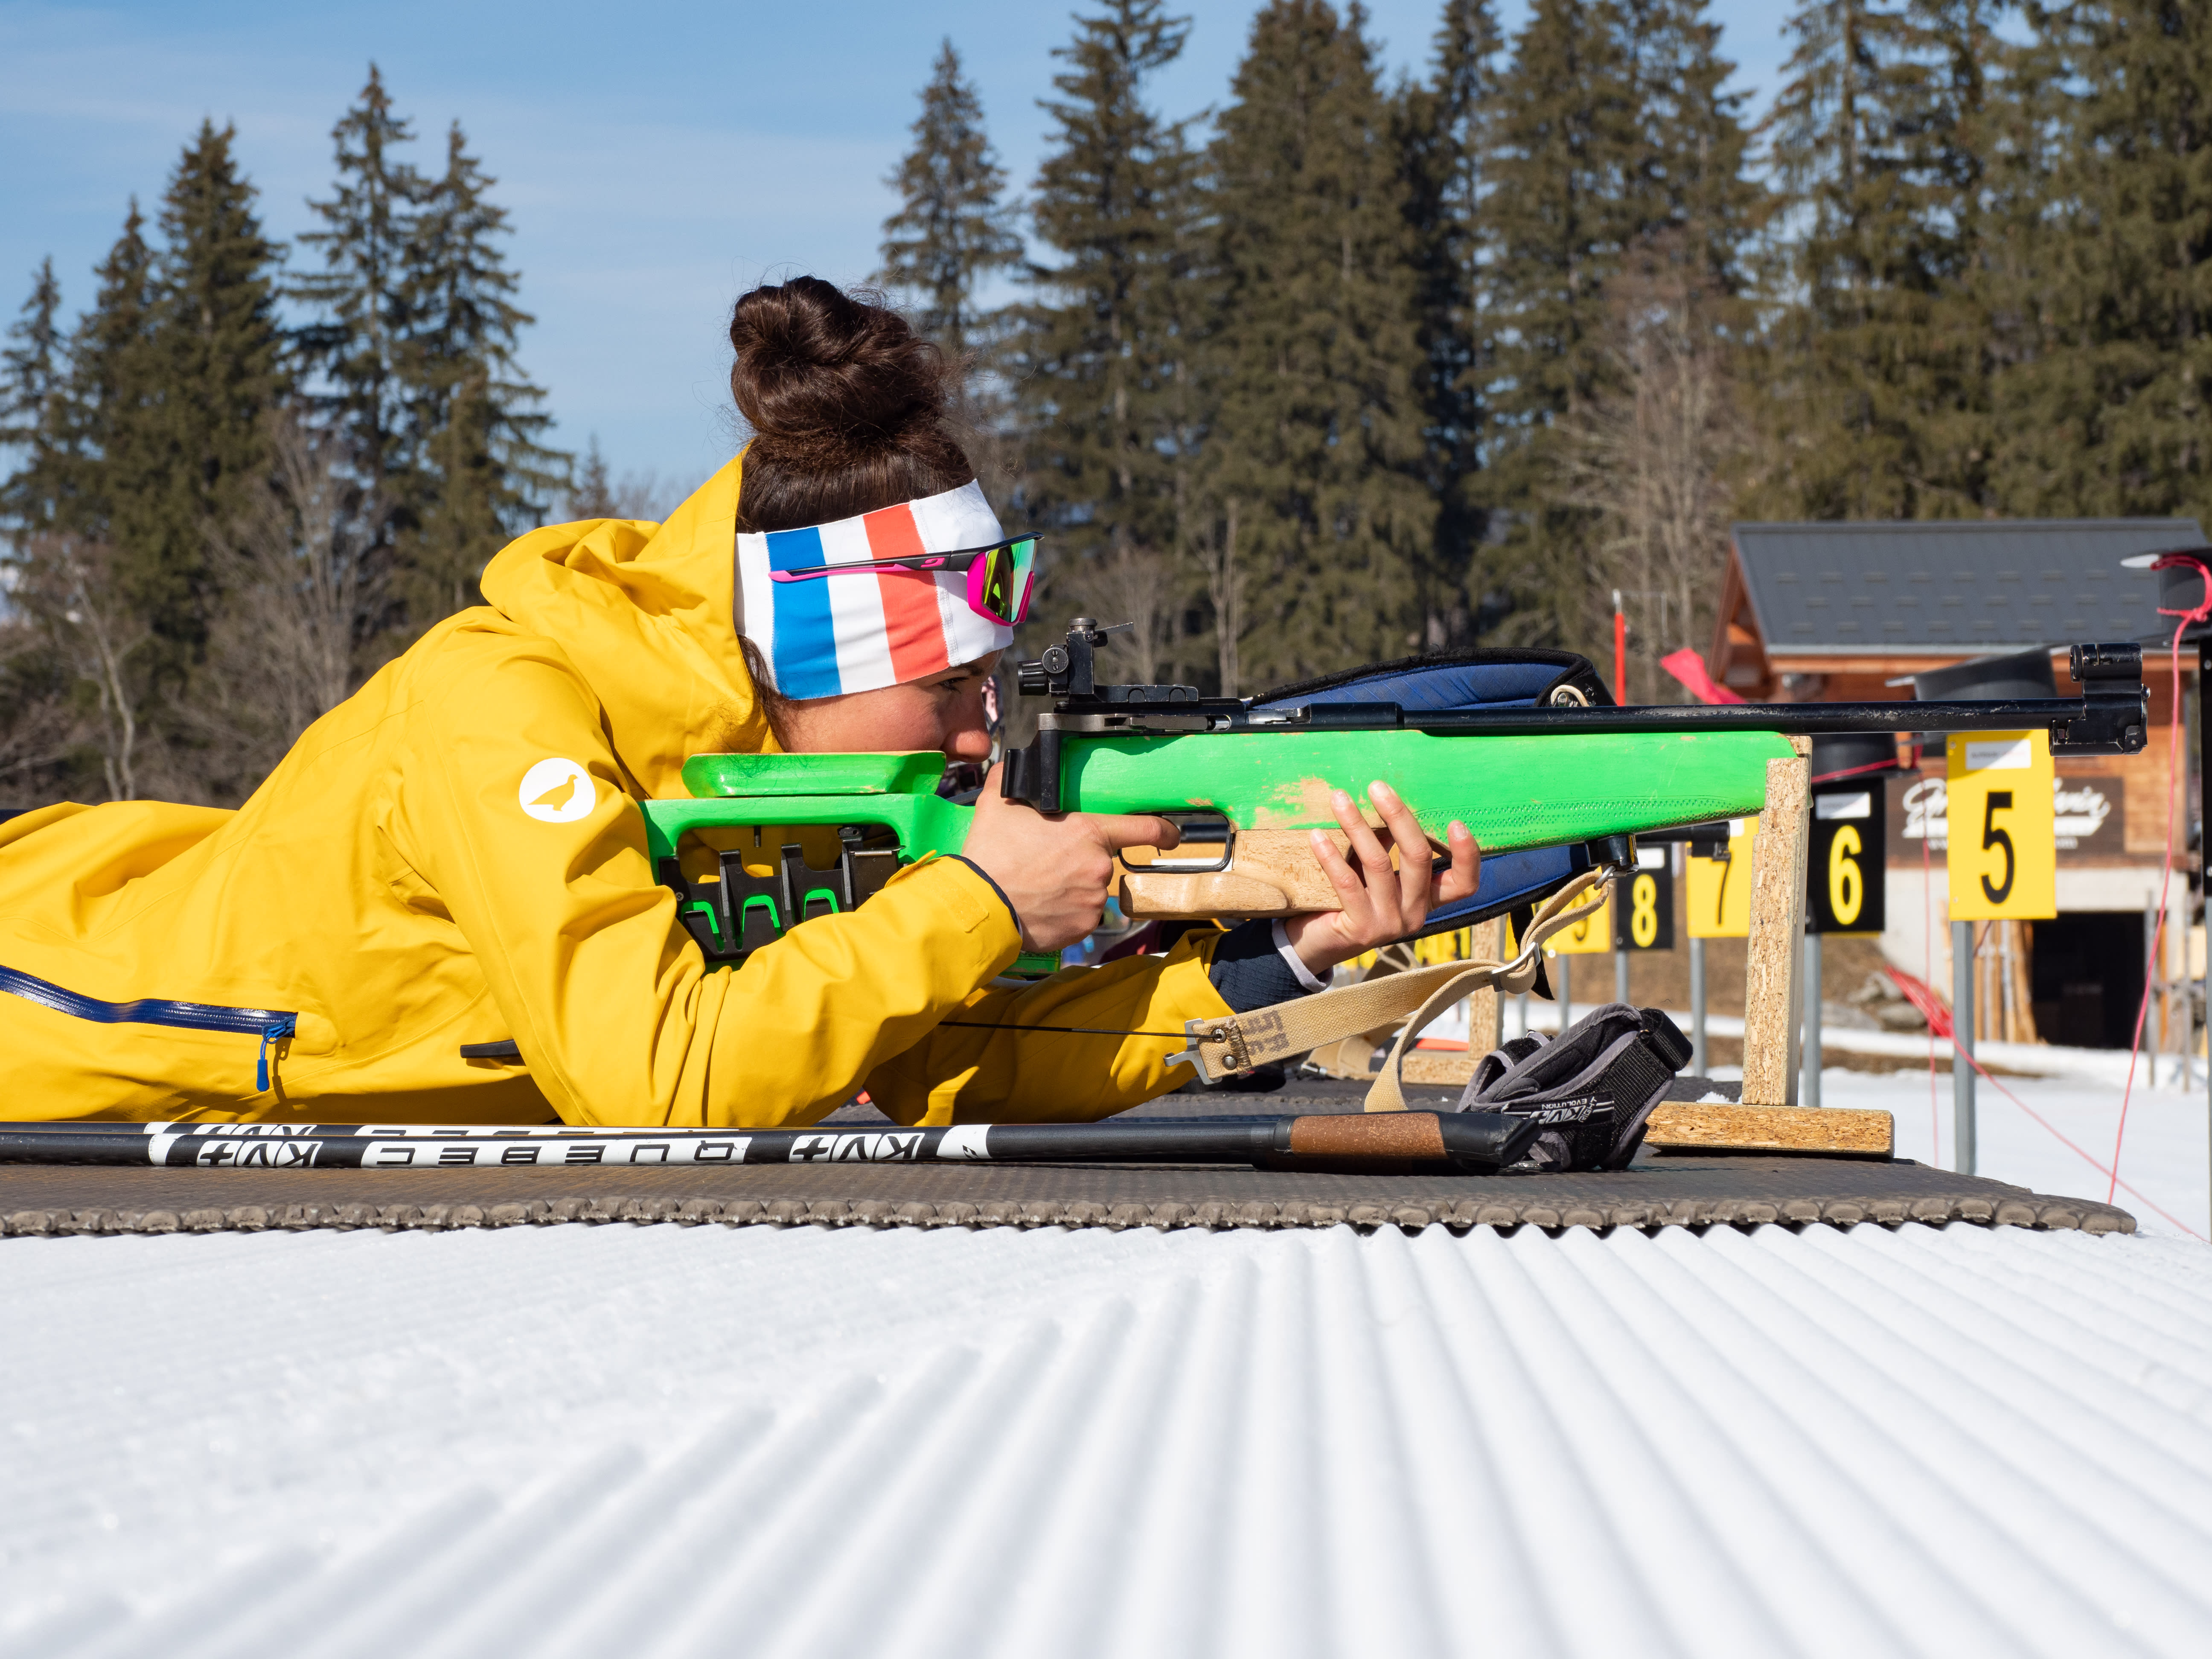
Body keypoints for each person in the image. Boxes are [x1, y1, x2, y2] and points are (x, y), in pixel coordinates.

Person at [0, 278, 1476, 1126]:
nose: (981, 732)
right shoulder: (500, 704)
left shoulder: (788, 778)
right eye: (942, 686)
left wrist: (1283, 965)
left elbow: (932, 1058)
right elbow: (661, 1081)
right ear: (810, 658)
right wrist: (972, 903)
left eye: (986, 684)